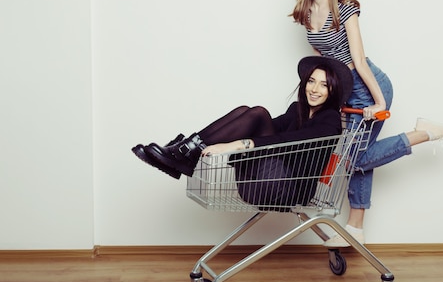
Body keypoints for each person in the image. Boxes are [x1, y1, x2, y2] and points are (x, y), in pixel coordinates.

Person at [291, 0, 443, 246]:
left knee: (354, 157)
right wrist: (329, 101)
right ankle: (355, 228)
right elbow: (325, 62)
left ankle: (425, 134)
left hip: (368, 85)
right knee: (357, 157)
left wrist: (379, 101)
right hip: (344, 90)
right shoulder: (305, 12)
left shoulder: (345, 8)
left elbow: (358, 60)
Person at [132, 56, 353, 207]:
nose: (314, 89)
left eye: (323, 85)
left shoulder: (331, 120)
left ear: (333, 91)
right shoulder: (297, 110)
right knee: (249, 112)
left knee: (258, 113)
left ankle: (186, 152)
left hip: (287, 190)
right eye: (311, 81)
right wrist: (239, 140)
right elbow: (270, 129)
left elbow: (289, 139)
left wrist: (235, 145)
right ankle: (186, 152)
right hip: (255, 183)